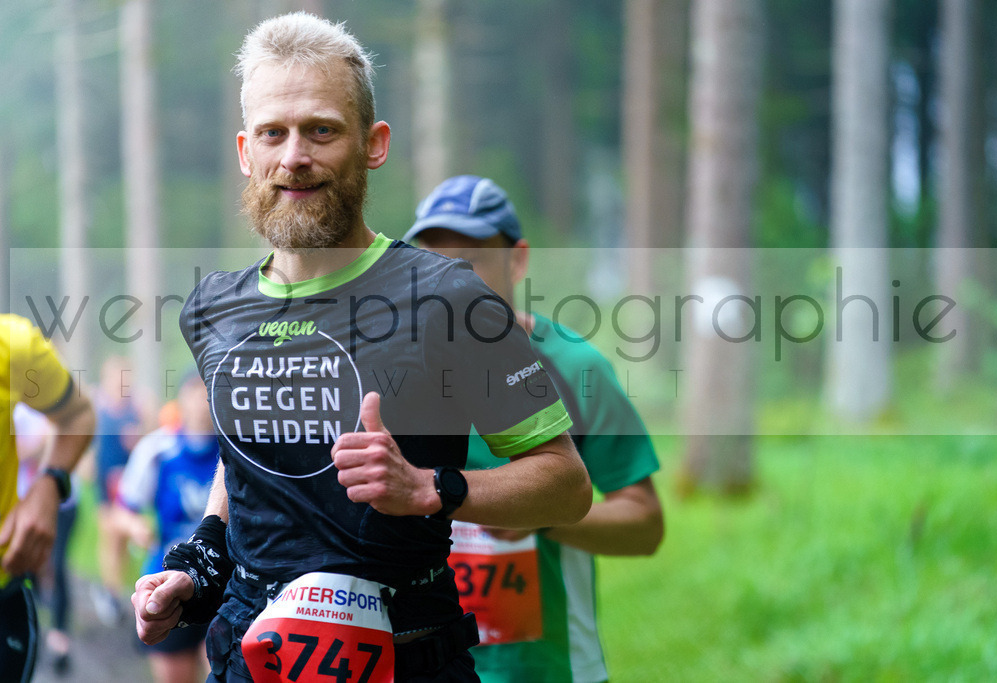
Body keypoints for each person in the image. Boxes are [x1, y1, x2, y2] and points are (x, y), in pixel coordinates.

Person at [131, 12, 591, 683]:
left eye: (322, 129)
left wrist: (430, 488)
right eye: (273, 133)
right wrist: (200, 560)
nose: (295, 156)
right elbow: (245, 466)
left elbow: (567, 484)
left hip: (413, 657)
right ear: (245, 151)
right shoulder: (214, 309)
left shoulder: (449, 297)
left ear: (373, 143)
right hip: (244, 660)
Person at [405, 175, 664, 683]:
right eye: (431, 260)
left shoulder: (575, 366)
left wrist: (543, 514)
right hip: (426, 667)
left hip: (549, 669)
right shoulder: (393, 375)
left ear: (517, 260)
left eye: (470, 259)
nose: (449, 277)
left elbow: (645, 524)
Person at [1, 313, 95, 682]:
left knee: (57, 569)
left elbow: (79, 415)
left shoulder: (15, 346)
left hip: (5, 589)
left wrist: (49, 485)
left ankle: (61, 634)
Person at [118, 375, 218, 683]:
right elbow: (121, 510)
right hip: (168, 579)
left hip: (222, 581)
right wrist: (137, 527)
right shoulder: (158, 449)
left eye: (209, 394)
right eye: (196, 393)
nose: (203, 403)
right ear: (182, 399)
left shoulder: (234, 451)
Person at [15, 404, 79, 677]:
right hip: (24, 499)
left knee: (57, 561)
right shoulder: (16, 411)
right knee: (26, 562)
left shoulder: (62, 404)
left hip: (62, 502)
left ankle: (60, 633)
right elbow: (16, 454)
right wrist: (40, 442)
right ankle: (30, 626)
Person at [91, 355, 144, 625]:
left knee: (121, 538)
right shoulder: (98, 406)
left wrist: (137, 439)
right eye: (115, 375)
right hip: (104, 480)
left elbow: (146, 443)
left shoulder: (137, 407)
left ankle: (115, 589)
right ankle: (110, 591)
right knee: (109, 534)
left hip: (128, 481)